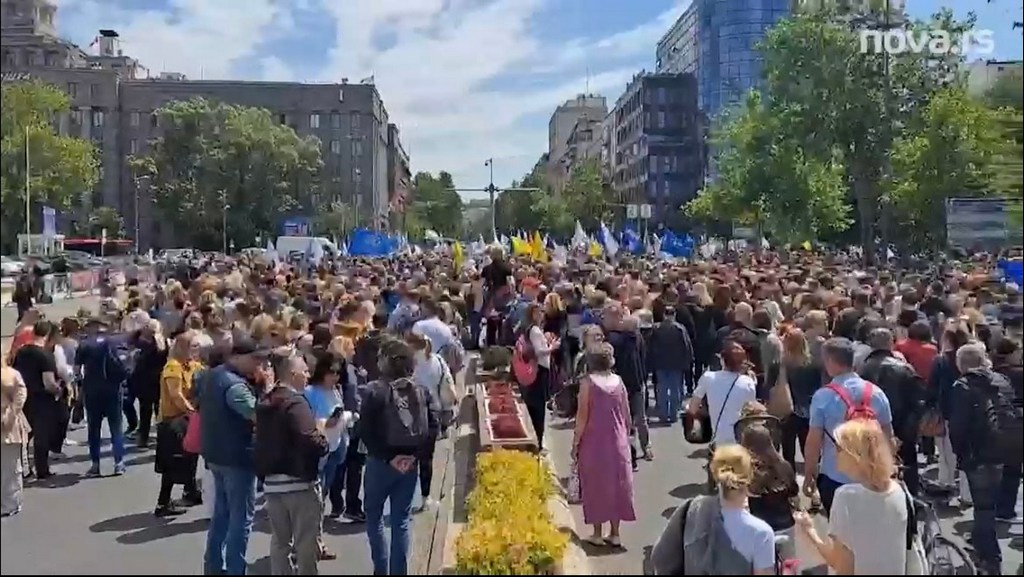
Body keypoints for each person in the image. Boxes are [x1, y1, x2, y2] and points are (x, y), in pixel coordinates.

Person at [356, 337, 440, 576]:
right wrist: (416, 457)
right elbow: (433, 428)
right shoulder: (421, 391)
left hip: (380, 464)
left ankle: (380, 569)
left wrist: (386, 457)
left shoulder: (374, 391)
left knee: (374, 518)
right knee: (401, 521)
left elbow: (364, 430)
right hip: (409, 465)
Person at [795, 418, 910, 575]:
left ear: (854, 454)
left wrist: (810, 531)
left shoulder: (846, 497)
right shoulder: (898, 491)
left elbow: (840, 564)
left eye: (839, 449)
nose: (834, 454)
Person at [199, 337, 271, 576]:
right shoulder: (236, 386)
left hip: (216, 453)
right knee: (241, 518)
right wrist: (267, 389)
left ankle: (213, 566)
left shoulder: (211, 376)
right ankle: (235, 569)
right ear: (237, 357)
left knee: (222, 515)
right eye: (255, 359)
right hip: (237, 458)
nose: (259, 364)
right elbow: (258, 415)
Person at [256, 349, 329, 576]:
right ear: (293, 373)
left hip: (272, 484)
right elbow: (310, 438)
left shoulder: (265, 400)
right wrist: (323, 440)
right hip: (299, 484)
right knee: (305, 544)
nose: (308, 375)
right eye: (304, 371)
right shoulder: (295, 402)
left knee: (280, 542)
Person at [651, 444, 777, 575]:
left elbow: (660, 558)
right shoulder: (761, 534)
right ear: (749, 478)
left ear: (715, 472)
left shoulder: (690, 510)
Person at [802, 337, 894, 515]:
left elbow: (813, 442)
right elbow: (888, 437)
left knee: (841, 536)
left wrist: (809, 474)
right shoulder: (876, 392)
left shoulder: (823, 397)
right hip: (872, 478)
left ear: (830, 361)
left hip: (835, 477)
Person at [948, 342, 1016, 576]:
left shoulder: (962, 386)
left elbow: (957, 427)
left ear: (961, 364)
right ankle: (980, 544)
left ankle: (991, 557)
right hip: (1003, 449)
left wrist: (961, 455)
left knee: (984, 507)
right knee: (987, 504)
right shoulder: (1000, 381)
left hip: (978, 452)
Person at [571, 343, 636, 547]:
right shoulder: (619, 382)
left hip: (593, 441)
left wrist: (575, 443)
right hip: (617, 439)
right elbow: (626, 413)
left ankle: (597, 533)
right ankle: (615, 533)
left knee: (595, 485)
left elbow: (582, 416)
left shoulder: (587, 384)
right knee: (617, 485)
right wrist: (627, 433)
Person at [305, 350, 349, 562]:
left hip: (335, 448)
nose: (335, 376)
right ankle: (312, 544)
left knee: (320, 501)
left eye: (339, 373)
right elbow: (310, 423)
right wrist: (327, 423)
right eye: (331, 372)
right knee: (314, 502)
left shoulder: (336, 390)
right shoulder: (310, 392)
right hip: (318, 451)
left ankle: (315, 543)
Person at [154, 330, 203, 516]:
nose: (196, 350)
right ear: (182, 347)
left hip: (187, 420)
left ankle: (190, 492)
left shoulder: (194, 366)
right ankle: (162, 504)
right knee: (172, 463)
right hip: (172, 421)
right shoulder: (172, 367)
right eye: (193, 346)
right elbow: (176, 395)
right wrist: (192, 411)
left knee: (190, 458)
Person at [75, 317, 131, 477]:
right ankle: (119, 463)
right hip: (113, 389)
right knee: (116, 427)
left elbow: (77, 371)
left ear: (90, 328)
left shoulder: (85, 345)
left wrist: (79, 390)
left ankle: (95, 465)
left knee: (94, 428)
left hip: (92, 390)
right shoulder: (114, 342)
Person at [408, 333, 456, 510]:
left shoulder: (408, 363)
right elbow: (447, 383)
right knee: (427, 458)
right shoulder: (437, 361)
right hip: (433, 412)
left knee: (410, 456)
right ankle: (425, 497)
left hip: (410, 414)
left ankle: (408, 497)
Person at [740, 422, 799, 561]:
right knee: (789, 564)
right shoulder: (784, 466)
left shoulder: (748, 470)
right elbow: (793, 491)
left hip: (759, 528)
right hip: (785, 525)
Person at [12, 320, 62, 480]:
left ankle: (22, 468)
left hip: (24, 396)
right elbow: (48, 382)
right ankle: (42, 469)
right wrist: (58, 390)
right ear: (48, 335)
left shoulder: (22, 351)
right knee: (42, 436)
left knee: (26, 435)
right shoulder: (45, 355)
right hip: (41, 399)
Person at [688, 340, 758, 447]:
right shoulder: (748, 382)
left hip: (718, 440)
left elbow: (692, 408)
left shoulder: (708, 377)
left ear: (723, 360)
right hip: (740, 440)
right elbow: (751, 411)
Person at [521, 302, 559, 450]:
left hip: (535, 371)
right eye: (539, 312)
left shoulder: (530, 329)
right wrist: (552, 347)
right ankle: (538, 441)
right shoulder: (535, 330)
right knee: (539, 408)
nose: (542, 315)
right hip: (539, 370)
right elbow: (539, 352)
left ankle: (536, 439)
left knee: (535, 405)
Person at [648, 305, 693, 424]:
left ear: (664, 315)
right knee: (675, 389)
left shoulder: (657, 328)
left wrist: (651, 362)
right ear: (674, 315)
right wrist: (687, 360)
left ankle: (663, 413)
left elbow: (651, 346)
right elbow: (687, 346)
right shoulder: (680, 328)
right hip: (676, 363)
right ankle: (673, 414)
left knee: (662, 388)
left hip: (660, 362)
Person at [132, 319, 169, 449]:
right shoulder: (164, 343)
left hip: (145, 380)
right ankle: (162, 438)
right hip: (160, 379)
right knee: (161, 412)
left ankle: (143, 438)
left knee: (145, 412)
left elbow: (133, 339)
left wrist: (140, 331)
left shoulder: (145, 344)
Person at [1, 355, 30, 516]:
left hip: (8, 427)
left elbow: (20, 396)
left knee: (10, 467)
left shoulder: (11, 375)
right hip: (7, 425)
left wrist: (9, 416)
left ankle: (11, 502)